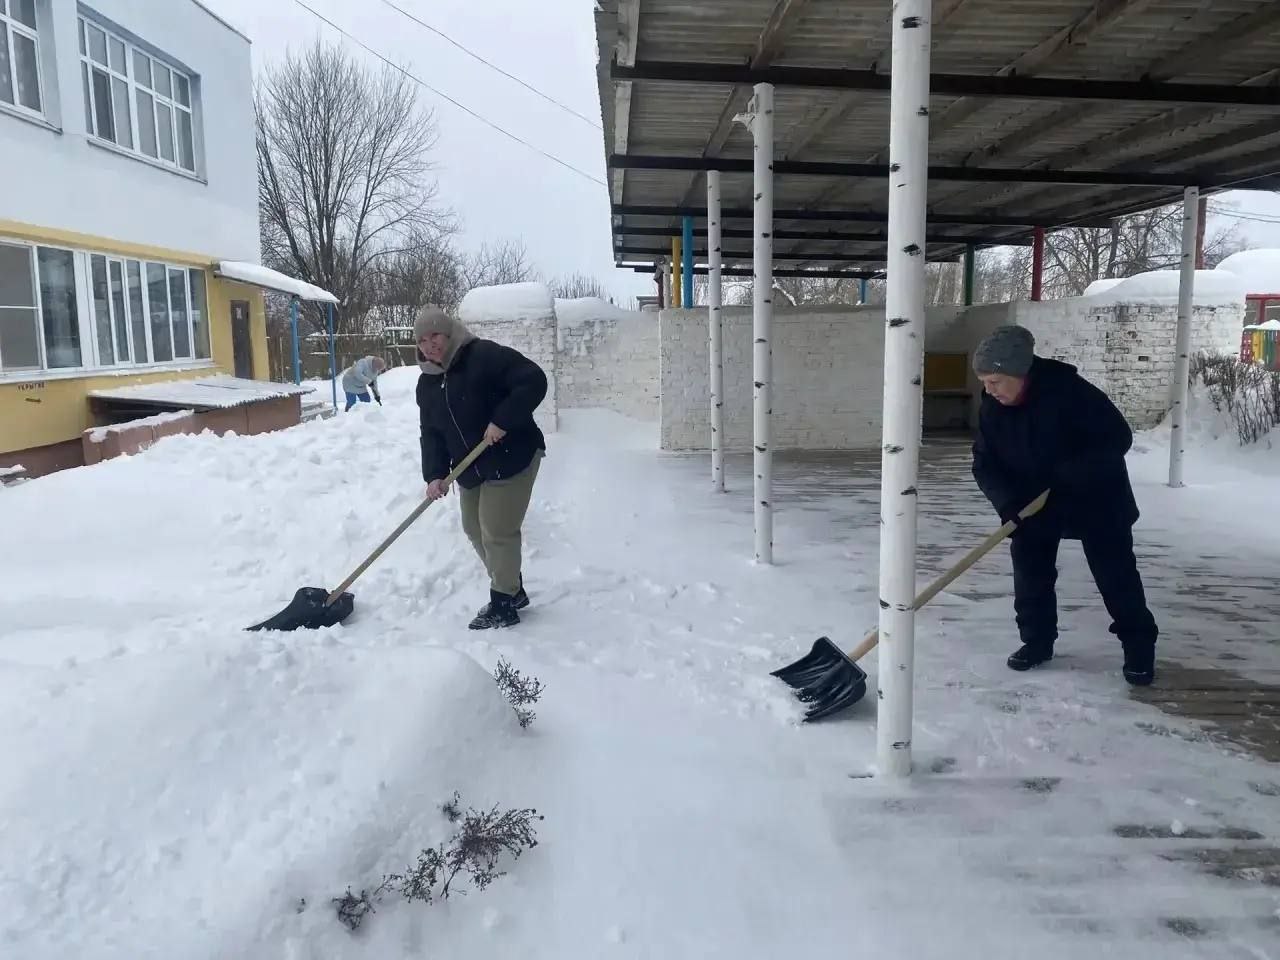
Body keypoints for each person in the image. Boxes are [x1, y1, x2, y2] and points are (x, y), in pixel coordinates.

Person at [969, 324, 1158, 686]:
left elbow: (1117, 437)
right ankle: (1037, 642)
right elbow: (984, 462)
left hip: (1096, 497)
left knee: (1115, 574)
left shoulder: (1070, 393)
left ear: (1020, 373)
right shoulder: (992, 408)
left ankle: (1138, 646)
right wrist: (1007, 503)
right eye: (984, 381)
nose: (988, 390)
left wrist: (1071, 474)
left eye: (995, 381)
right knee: (1030, 571)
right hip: (1032, 502)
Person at [414, 304, 548, 630]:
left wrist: (503, 419)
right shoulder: (427, 384)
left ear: (450, 333)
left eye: (436, 336)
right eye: (423, 340)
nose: (430, 344)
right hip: (470, 468)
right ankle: (512, 589)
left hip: (511, 456)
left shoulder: (484, 355)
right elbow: (431, 433)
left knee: (497, 531)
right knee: (474, 528)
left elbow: (533, 380)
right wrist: (434, 475)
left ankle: (503, 603)